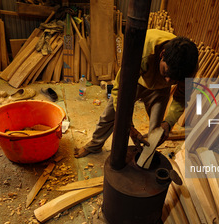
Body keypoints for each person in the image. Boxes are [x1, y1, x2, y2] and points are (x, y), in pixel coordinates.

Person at [74, 29, 198, 158]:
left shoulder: (188, 67)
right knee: (109, 115)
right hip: (136, 82)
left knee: (156, 130)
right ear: (162, 54)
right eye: (166, 73)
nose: (168, 81)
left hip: (160, 90)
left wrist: (169, 122)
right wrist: (130, 128)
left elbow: (181, 97)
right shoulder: (142, 51)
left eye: (174, 80)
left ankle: (146, 158)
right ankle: (94, 145)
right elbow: (118, 91)